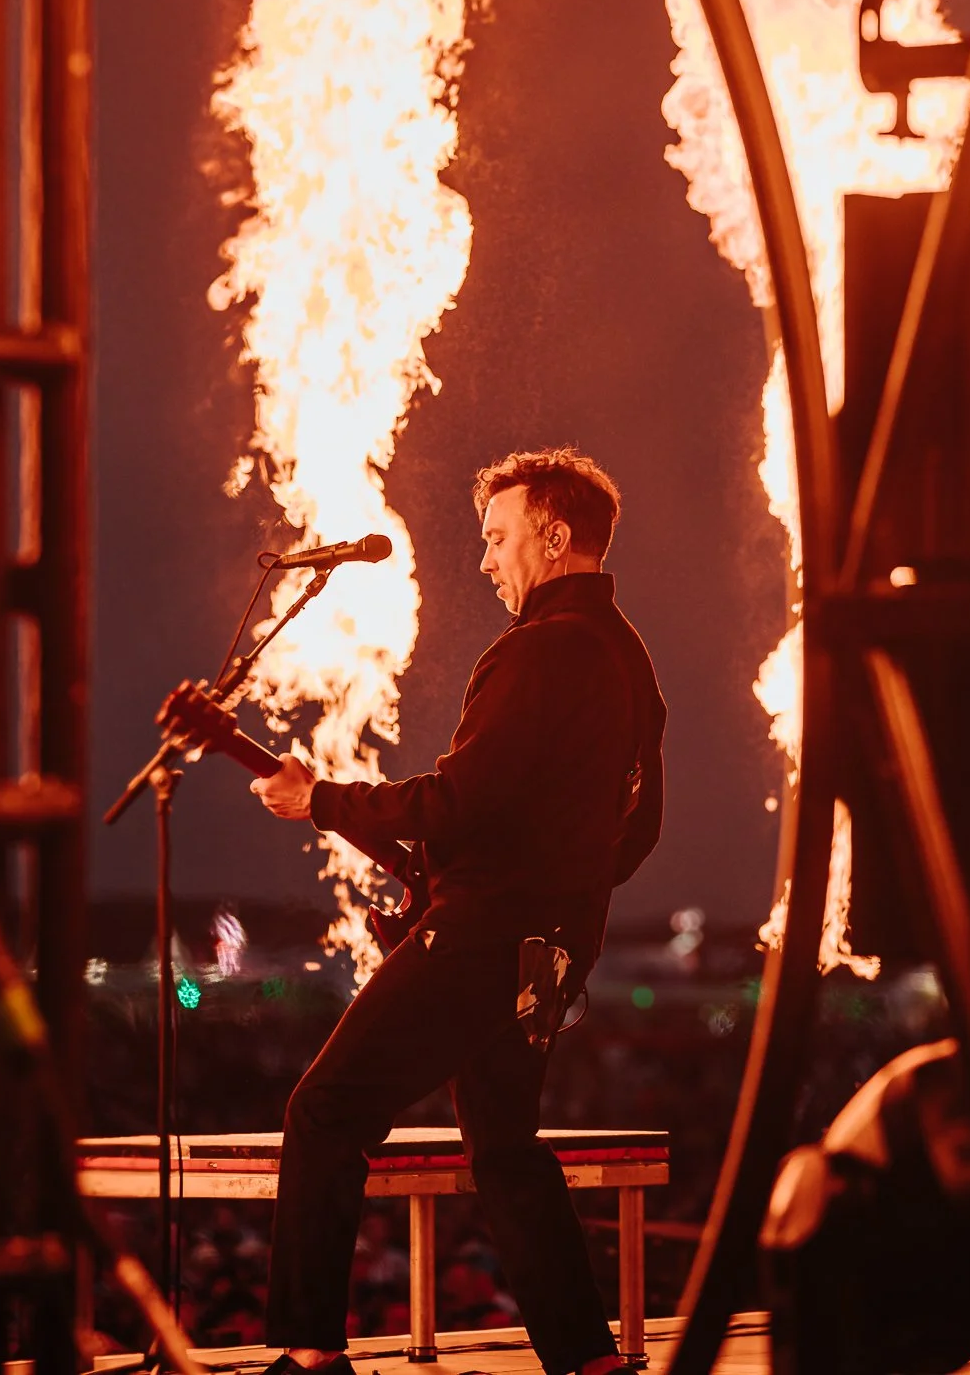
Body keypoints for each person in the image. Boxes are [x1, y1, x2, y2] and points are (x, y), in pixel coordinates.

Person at [246, 447, 666, 1375]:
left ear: (554, 537)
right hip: (554, 954)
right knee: (506, 1146)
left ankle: (311, 1356)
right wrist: (563, 900)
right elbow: (638, 830)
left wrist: (321, 799)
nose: (484, 560)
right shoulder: (631, 661)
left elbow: (453, 803)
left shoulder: (539, 649)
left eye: (497, 537)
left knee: (325, 1110)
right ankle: (588, 1362)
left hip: (481, 941)